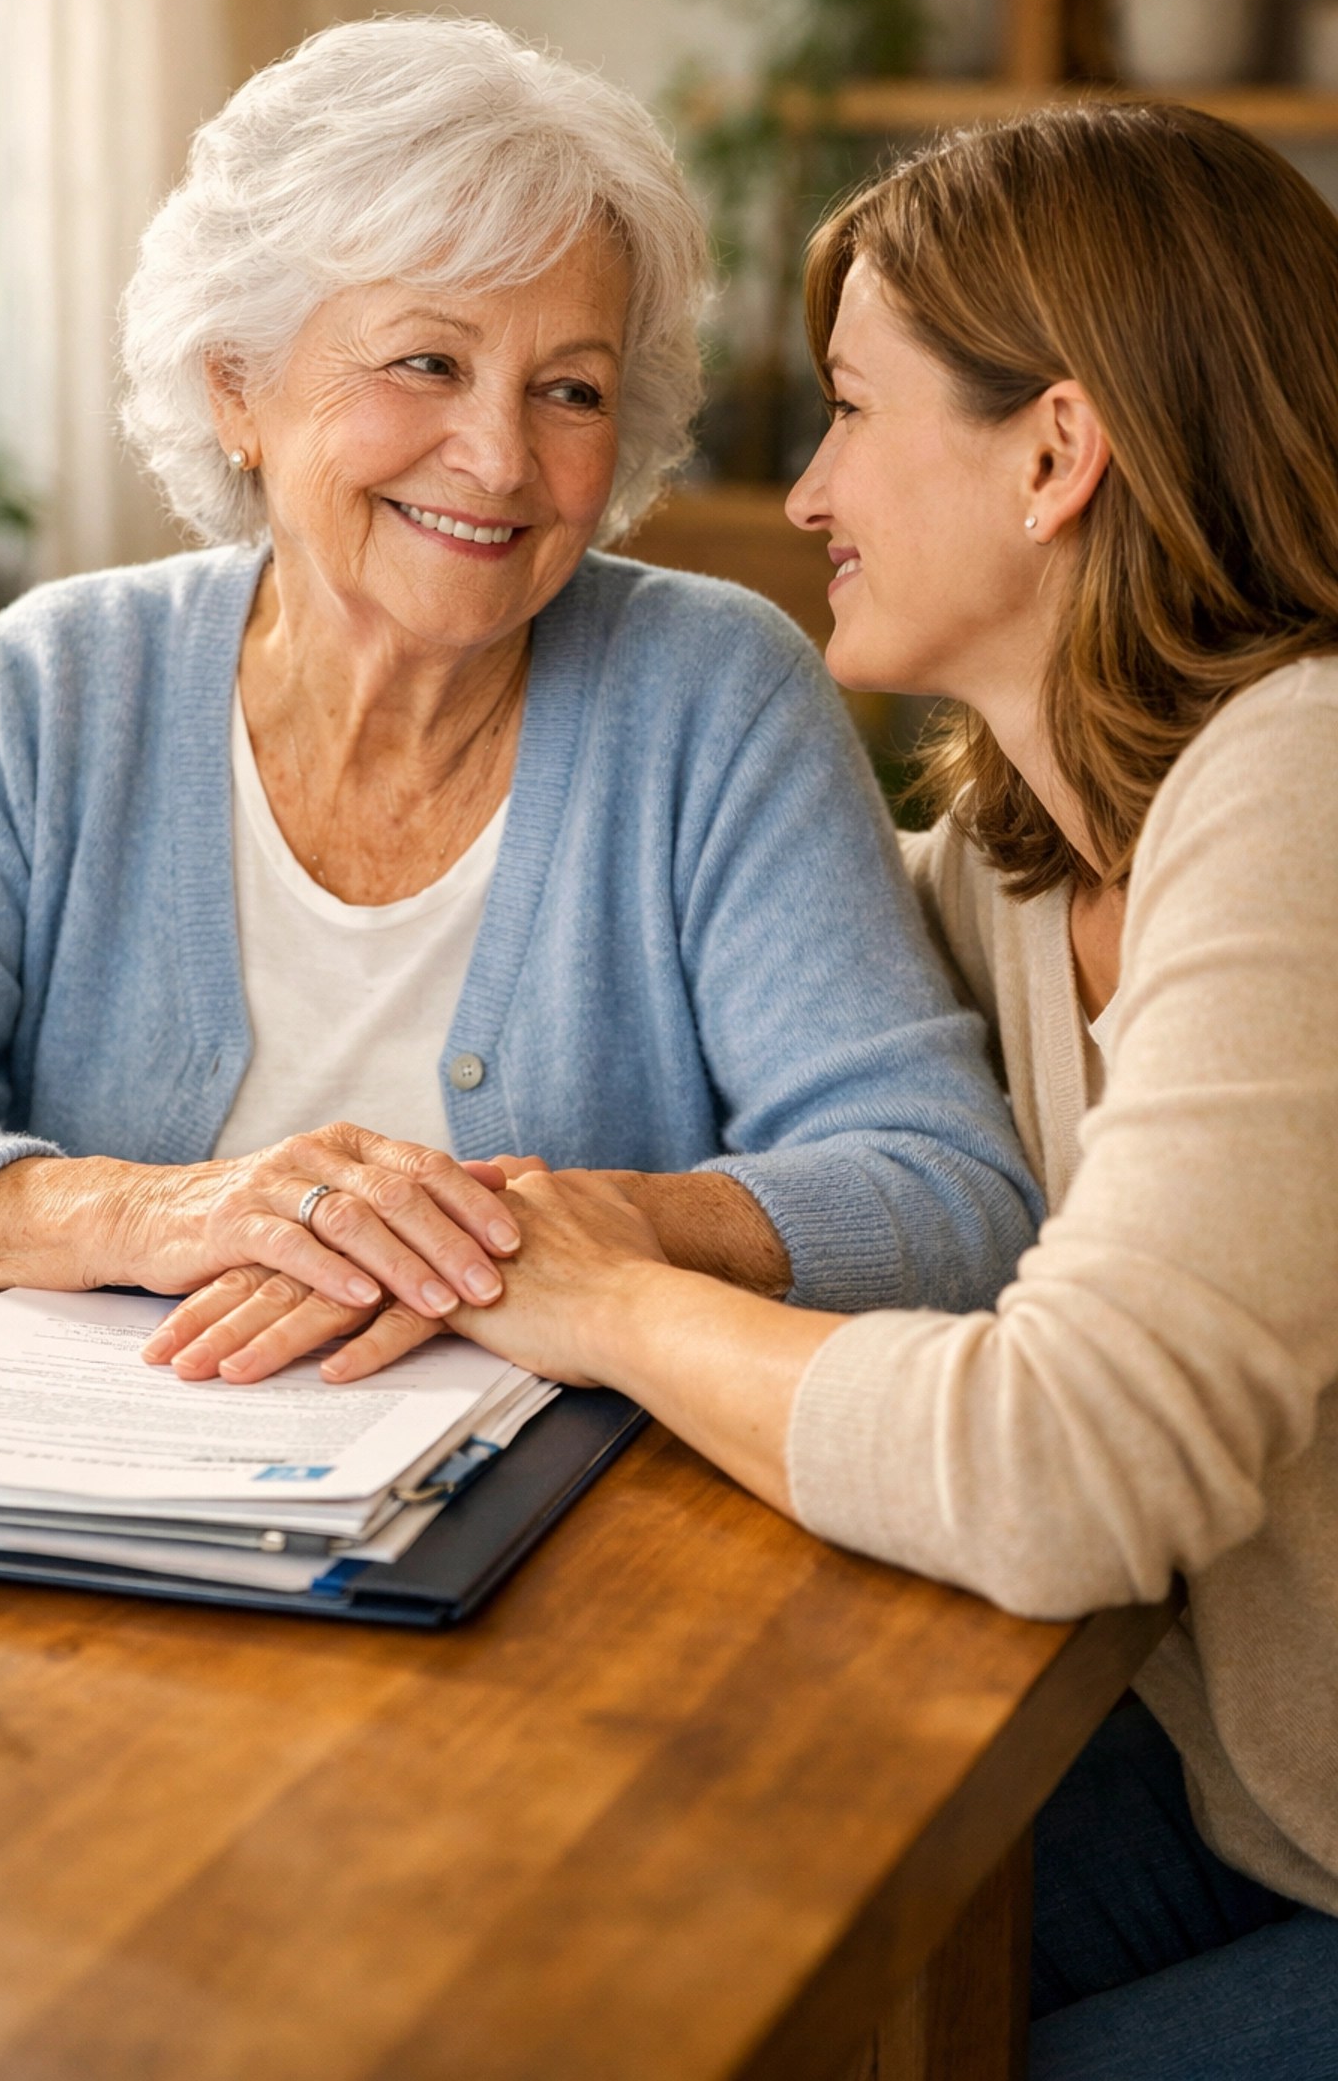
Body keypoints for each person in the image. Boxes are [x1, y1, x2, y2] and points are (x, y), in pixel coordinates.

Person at [439, 104, 1338, 2078]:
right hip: (1248, 1781)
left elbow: (1066, 1465)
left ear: (1056, 452)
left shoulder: (1306, 783)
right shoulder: (1016, 858)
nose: (814, 484)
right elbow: (763, 1097)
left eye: (852, 410)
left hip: (1307, 1836)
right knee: (681, 1973)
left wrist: (599, 1297)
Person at [0, 15, 1037, 1379]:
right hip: (95, 1517)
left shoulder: (712, 696)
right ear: (238, 387)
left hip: (576, 1537)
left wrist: (570, 1227)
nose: (500, 456)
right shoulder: (58, 688)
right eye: (426, 363)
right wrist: (143, 1212)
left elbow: (947, 1193)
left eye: (570, 389)